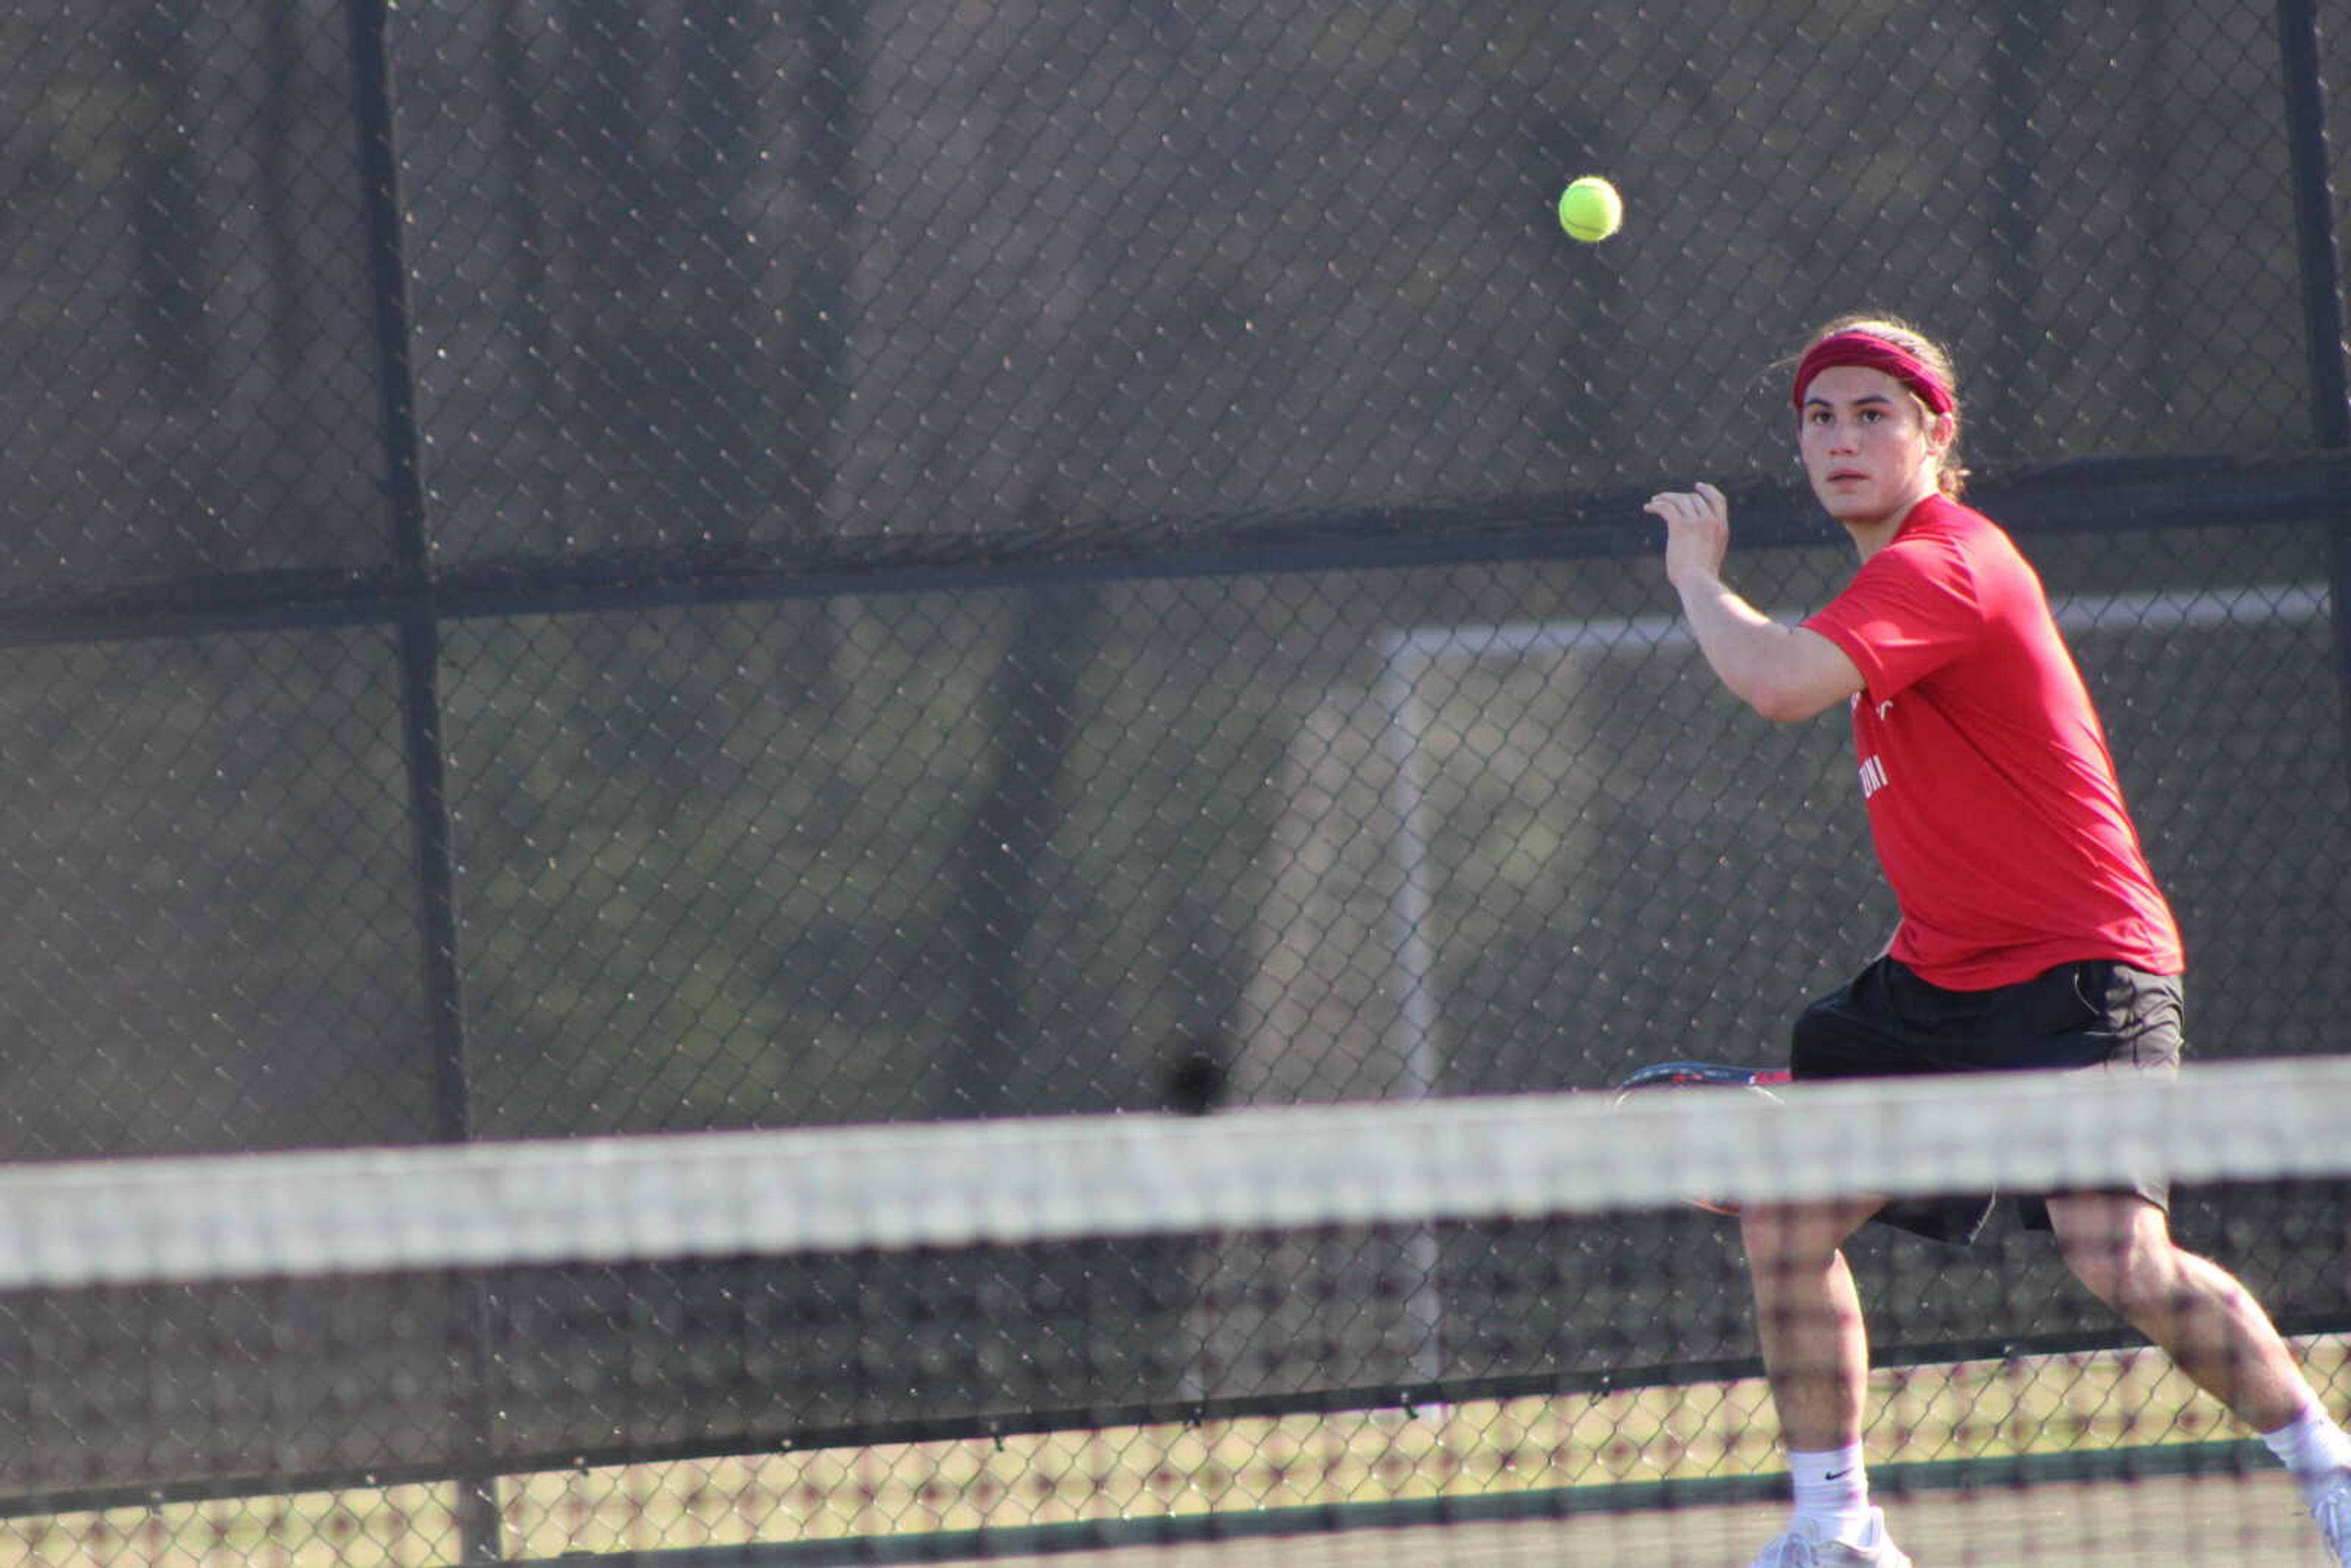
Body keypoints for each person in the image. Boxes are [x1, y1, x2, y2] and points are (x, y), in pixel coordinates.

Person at [1643, 315, 2351, 1568]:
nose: (1843, 437)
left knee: (2115, 1253)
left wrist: (1698, 575)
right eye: (1821, 416)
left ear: (1935, 434)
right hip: (1937, 981)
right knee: (1788, 1218)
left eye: (1875, 414)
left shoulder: (1948, 562)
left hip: (2083, 969)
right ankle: (1838, 1527)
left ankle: (2332, 1471)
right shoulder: (1886, 590)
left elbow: (1773, 683)